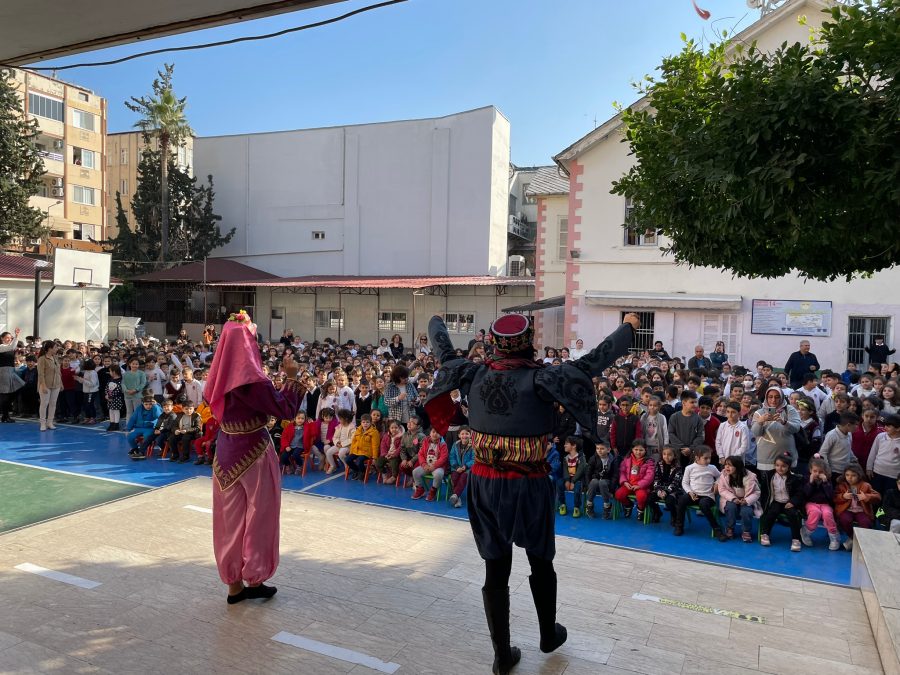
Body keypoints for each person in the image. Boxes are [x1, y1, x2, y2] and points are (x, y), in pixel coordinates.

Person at [425, 311, 638, 674]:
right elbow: (598, 357)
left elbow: (441, 345)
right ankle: (547, 634)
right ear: (528, 343)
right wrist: (630, 326)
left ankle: (502, 655)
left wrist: (436, 319)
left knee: (496, 567)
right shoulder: (545, 377)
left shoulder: (471, 372)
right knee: (540, 560)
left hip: (483, 482)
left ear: (493, 343)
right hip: (528, 484)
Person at [205, 310, 309, 605]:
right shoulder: (251, 381)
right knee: (260, 517)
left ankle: (234, 586)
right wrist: (291, 379)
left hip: (225, 452)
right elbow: (286, 410)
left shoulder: (219, 377)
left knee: (229, 521)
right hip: (254, 453)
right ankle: (256, 577)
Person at [675, 446, 724, 539]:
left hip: (708, 497)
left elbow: (720, 477)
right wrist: (690, 492)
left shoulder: (712, 468)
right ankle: (679, 526)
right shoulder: (689, 468)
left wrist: (716, 483)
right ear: (697, 458)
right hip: (694, 495)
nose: (708, 460)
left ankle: (717, 530)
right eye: (705, 458)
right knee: (681, 500)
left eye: (709, 457)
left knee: (703, 504)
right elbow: (684, 483)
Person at [759, 453, 804, 551]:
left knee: (793, 515)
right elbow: (764, 492)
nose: (780, 468)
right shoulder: (769, 476)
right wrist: (765, 504)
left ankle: (796, 539)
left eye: (784, 466)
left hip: (789, 502)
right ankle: (765, 534)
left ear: (789, 467)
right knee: (771, 513)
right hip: (776, 501)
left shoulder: (795, 478)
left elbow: (799, 493)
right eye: (778, 465)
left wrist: (792, 502)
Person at [834, 465, 880, 551]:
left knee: (865, 522)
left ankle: (857, 541)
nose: (850, 478)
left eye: (853, 475)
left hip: (861, 511)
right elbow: (834, 498)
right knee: (844, 519)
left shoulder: (865, 485)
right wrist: (843, 496)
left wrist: (866, 496)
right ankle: (854, 538)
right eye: (847, 475)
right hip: (847, 510)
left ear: (859, 475)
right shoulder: (842, 485)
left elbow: (878, 497)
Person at [717, 456, 761, 542]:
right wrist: (733, 498)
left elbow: (756, 492)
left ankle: (746, 531)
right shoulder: (723, 475)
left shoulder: (750, 476)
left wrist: (747, 500)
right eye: (726, 465)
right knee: (730, 507)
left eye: (730, 465)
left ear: (738, 466)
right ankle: (730, 528)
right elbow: (722, 490)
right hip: (731, 499)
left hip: (746, 499)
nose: (727, 467)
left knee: (746, 511)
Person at [800, 457, 840, 551]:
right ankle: (806, 531)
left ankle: (834, 536)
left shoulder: (828, 480)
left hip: (825, 504)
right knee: (815, 513)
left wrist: (825, 482)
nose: (817, 474)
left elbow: (830, 496)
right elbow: (805, 494)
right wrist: (810, 483)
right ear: (810, 470)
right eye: (815, 471)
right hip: (811, 503)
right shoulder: (806, 479)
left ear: (825, 472)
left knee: (827, 514)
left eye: (820, 471)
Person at [411, 426, 449, 501]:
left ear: (441, 434)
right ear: (430, 433)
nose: (435, 434)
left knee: (439, 474)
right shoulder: (425, 441)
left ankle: (433, 491)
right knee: (415, 472)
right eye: (433, 432)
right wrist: (424, 464)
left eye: (437, 432)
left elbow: (443, 458)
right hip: (426, 465)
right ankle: (420, 489)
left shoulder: (443, 444)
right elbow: (420, 454)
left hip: (437, 467)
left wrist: (434, 466)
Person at [647, 446, 683, 524]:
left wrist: (666, 491)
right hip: (660, 489)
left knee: (669, 501)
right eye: (664, 454)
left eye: (669, 454)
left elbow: (675, 483)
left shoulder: (678, 467)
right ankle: (657, 512)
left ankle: (674, 515)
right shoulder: (659, 464)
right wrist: (659, 490)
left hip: (674, 490)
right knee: (649, 499)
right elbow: (656, 479)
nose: (666, 456)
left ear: (674, 456)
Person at [866, 413, 900, 496]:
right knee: (875, 497)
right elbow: (873, 453)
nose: (885, 428)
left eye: (888, 426)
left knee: (887, 498)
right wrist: (869, 468)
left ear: (898, 428)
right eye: (885, 425)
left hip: (893, 476)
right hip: (877, 472)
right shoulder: (880, 437)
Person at [583, 443, 617, 519]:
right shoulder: (593, 458)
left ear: (608, 450)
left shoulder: (613, 460)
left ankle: (607, 506)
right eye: (597, 448)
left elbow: (615, 476)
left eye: (602, 449)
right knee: (594, 481)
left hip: (607, 483)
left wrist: (611, 490)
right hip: (594, 483)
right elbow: (588, 473)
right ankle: (589, 505)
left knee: (602, 482)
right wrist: (588, 486)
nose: (599, 451)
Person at [557, 436, 587, 517]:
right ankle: (562, 504)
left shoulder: (581, 458)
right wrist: (567, 480)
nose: (564, 445)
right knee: (559, 483)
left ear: (574, 446)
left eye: (566, 444)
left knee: (577, 488)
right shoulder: (565, 458)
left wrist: (573, 481)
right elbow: (565, 471)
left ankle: (576, 507)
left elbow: (580, 471)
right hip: (568, 479)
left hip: (577, 480)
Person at [0, 329, 25, 423]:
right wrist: (17, 336)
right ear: (2, 338)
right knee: (5, 394)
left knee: (19, 387)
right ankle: (5, 416)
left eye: (10, 338)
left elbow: (13, 347)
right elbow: (12, 346)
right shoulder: (1, 346)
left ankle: (5, 414)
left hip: (11, 370)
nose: (9, 339)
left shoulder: (10, 347)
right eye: (7, 338)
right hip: (4, 371)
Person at [346, 413, 380, 480]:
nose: (365, 424)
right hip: (356, 451)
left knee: (359, 461)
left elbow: (375, 446)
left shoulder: (374, 432)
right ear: (361, 423)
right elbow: (353, 442)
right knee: (348, 459)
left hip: (366, 452)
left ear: (371, 423)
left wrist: (374, 457)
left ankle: (363, 472)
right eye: (363, 422)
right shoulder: (358, 430)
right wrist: (351, 452)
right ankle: (356, 470)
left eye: (367, 422)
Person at [448, 426, 474, 508]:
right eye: (462, 434)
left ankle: (455, 495)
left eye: (467, 433)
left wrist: (465, 466)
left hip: (468, 469)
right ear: (459, 435)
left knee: (463, 477)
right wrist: (456, 467)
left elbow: (474, 459)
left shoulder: (473, 445)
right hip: (456, 467)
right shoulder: (455, 445)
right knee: (454, 477)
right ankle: (457, 498)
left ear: (470, 435)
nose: (464, 436)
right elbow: (452, 457)